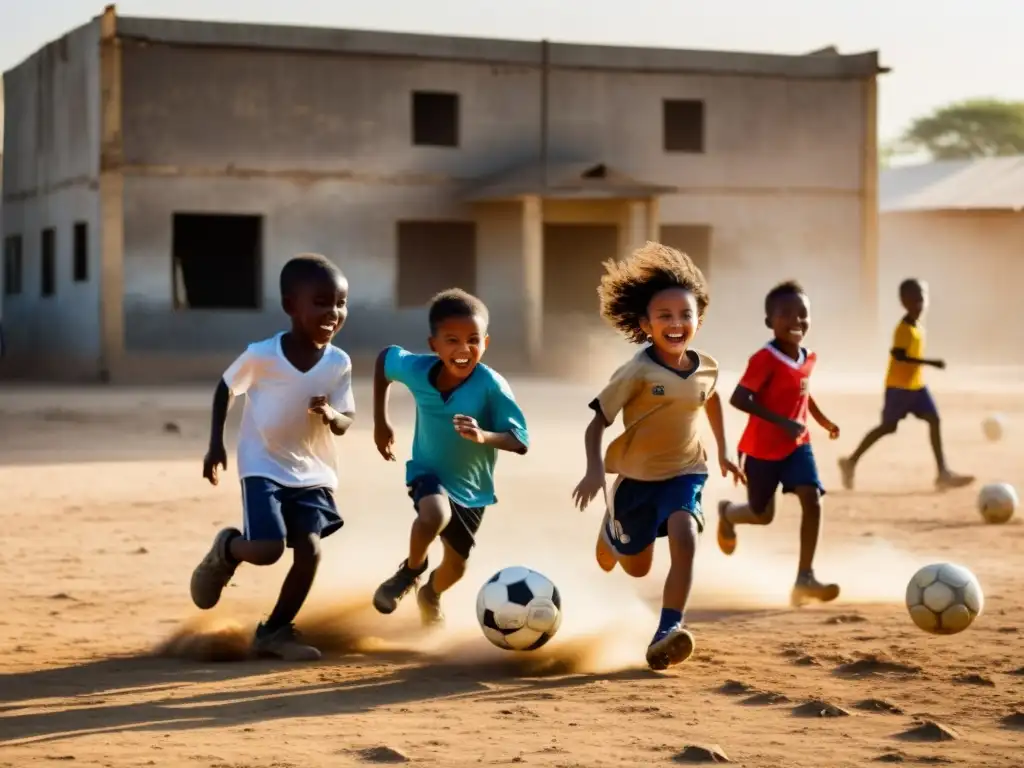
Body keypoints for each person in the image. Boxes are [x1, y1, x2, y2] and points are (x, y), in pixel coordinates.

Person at [571, 241, 744, 671]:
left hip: (687, 472)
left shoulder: (707, 367)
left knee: (685, 535)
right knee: (637, 569)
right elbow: (597, 423)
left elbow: (712, 398)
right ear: (645, 324)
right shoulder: (636, 371)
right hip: (636, 481)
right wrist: (594, 471)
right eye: (664, 316)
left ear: (698, 319)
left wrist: (722, 450)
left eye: (685, 315)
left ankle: (668, 629)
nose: (676, 323)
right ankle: (613, 537)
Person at [189, 253, 355, 661]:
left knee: (311, 551)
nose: (333, 312)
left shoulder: (338, 362)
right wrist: (216, 443)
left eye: (340, 302)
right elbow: (226, 388)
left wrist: (333, 415)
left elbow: (346, 419)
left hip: (313, 471)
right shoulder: (263, 355)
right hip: (263, 466)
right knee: (266, 550)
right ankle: (227, 549)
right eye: (321, 302)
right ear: (290, 306)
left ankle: (275, 631)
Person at [371, 288, 529, 627]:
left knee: (457, 568)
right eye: (452, 340)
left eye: (473, 340)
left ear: (486, 343)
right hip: (427, 472)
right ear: (434, 345)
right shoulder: (416, 369)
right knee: (433, 516)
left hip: (472, 489)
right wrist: (380, 421)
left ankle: (430, 594)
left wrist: (483, 435)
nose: (463, 349)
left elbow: (520, 440)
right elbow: (385, 360)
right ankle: (411, 571)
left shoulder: (491, 385)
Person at [715, 281, 841, 607]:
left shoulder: (808, 357)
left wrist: (822, 421)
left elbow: (802, 393)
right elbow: (739, 398)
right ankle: (727, 514)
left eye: (803, 314)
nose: (796, 320)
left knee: (812, 498)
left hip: (798, 444)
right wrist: (781, 421)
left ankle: (805, 578)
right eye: (786, 314)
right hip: (760, 449)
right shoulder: (764, 359)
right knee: (762, 514)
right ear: (770, 321)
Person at [838, 279, 974, 491]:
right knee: (888, 427)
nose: (919, 304)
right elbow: (898, 356)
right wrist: (930, 362)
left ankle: (942, 472)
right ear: (904, 302)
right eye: (914, 300)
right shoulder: (904, 329)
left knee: (934, 419)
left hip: (916, 386)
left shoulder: (918, 327)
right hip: (899, 388)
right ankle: (850, 461)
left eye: (922, 298)